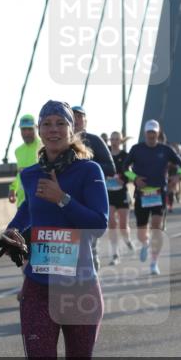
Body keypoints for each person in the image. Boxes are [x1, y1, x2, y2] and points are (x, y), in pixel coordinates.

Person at [0, 100, 108, 360]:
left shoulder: (88, 171)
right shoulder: (30, 174)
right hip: (38, 287)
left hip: (79, 286)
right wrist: (12, 233)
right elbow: (28, 211)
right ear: (39, 131)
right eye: (47, 123)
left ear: (72, 129)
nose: (53, 129)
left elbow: (99, 223)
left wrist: (62, 199)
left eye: (60, 122)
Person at [125, 120, 181, 276]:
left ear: (158, 133)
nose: (151, 135)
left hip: (159, 194)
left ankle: (154, 262)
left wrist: (177, 177)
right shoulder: (136, 149)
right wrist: (134, 178)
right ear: (145, 133)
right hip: (142, 194)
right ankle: (144, 244)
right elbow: (124, 168)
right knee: (141, 231)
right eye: (149, 132)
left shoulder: (165, 149)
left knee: (157, 227)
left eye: (154, 132)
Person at [71, 105, 116, 271]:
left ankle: (92, 279)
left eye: (79, 116)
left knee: (89, 246)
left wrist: (87, 169)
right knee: (69, 247)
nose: (76, 120)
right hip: (67, 200)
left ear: (85, 120)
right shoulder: (61, 142)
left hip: (90, 200)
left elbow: (111, 168)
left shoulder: (94, 140)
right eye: (73, 116)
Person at [106, 131, 134, 264]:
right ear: (110, 141)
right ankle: (115, 254)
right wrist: (106, 177)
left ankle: (127, 240)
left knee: (123, 225)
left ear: (121, 141)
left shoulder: (125, 156)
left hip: (121, 192)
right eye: (112, 139)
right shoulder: (105, 155)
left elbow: (130, 172)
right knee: (112, 223)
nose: (114, 141)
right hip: (109, 193)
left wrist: (122, 178)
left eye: (117, 139)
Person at [8, 114, 41, 207]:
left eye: (30, 129)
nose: (26, 133)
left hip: (39, 201)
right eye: (23, 129)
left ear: (36, 128)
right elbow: (20, 174)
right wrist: (13, 188)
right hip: (22, 202)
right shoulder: (18, 151)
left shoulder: (44, 146)